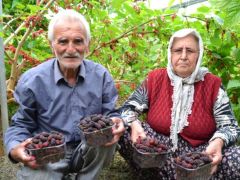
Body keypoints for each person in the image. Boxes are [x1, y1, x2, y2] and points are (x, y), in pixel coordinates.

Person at [4, 9, 125, 180]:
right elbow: (21, 124)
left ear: (87, 44)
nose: (71, 49)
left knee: (104, 136)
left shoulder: (101, 76)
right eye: (62, 41)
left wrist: (117, 121)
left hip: (88, 148)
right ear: (51, 44)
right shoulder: (32, 80)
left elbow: (110, 114)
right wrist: (15, 148)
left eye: (78, 41)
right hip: (49, 153)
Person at [118, 28, 240, 180]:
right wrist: (135, 125)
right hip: (159, 151)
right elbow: (128, 109)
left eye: (190, 50)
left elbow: (230, 126)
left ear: (199, 54)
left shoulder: (213, 85)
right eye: (178, 50)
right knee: (123, 129)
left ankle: (182, 175)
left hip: (200, 154)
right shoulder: (155, 79)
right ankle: (153, 173)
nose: (183, 56)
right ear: (170, 53)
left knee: (236, 158)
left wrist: (218, 141)